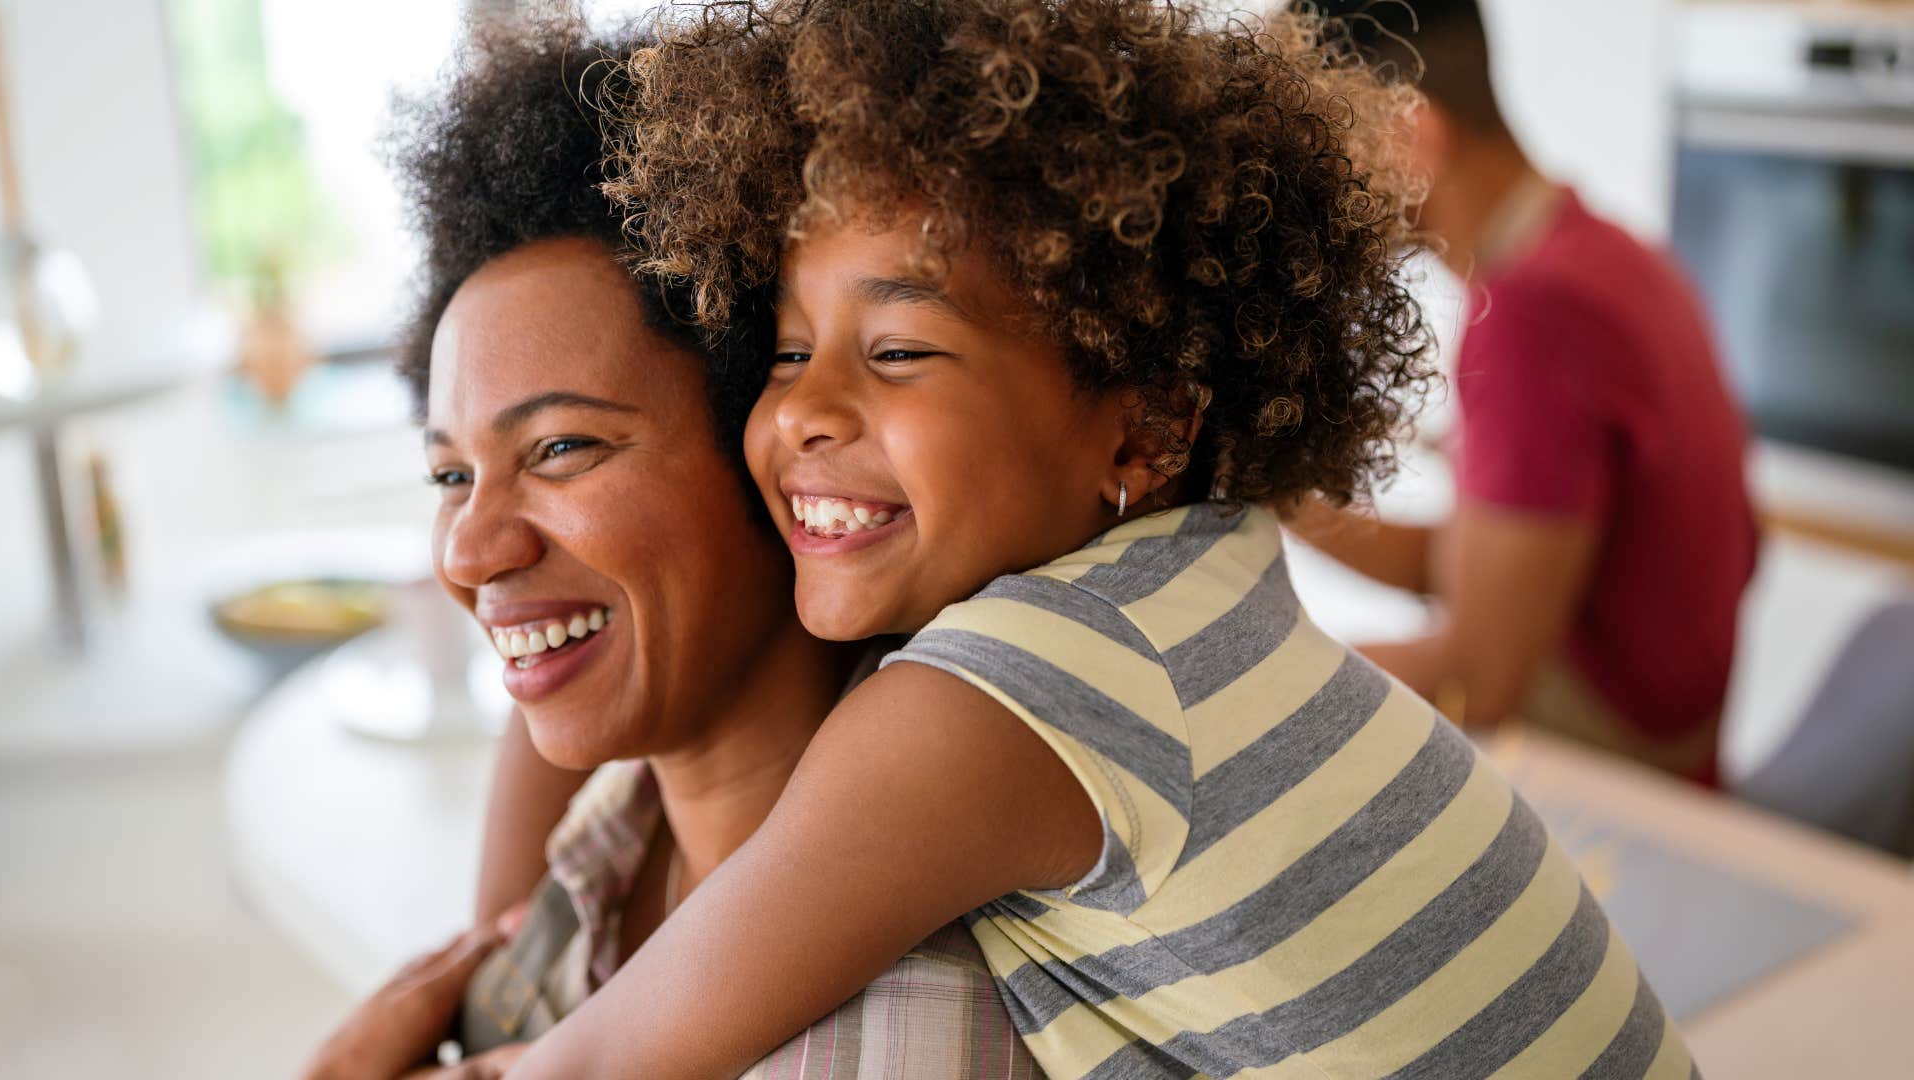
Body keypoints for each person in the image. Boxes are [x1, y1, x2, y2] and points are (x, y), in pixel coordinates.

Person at [494, 3, 1697, 1077]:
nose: (802, 409)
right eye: (791, 353)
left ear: (1149, 428)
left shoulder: (996, 697)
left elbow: (601, 1062)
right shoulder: (1201, 577)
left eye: (900, 351)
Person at [297, 10, 1044, 1078]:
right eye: (452, 476)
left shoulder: (889, 1028)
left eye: (560, 448)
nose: (467, 552)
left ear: (778, 453)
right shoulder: (623, 817)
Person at [1296, 0, 1758, 786]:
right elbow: (1482, 563)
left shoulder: (1533, 320)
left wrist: (1256, 685)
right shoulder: (1608, 254)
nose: (1308, 194)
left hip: (1629, 784)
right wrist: (1277, 496)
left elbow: (1480, 676)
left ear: (1414, 136)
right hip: (1685, 742)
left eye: (1320, 151)